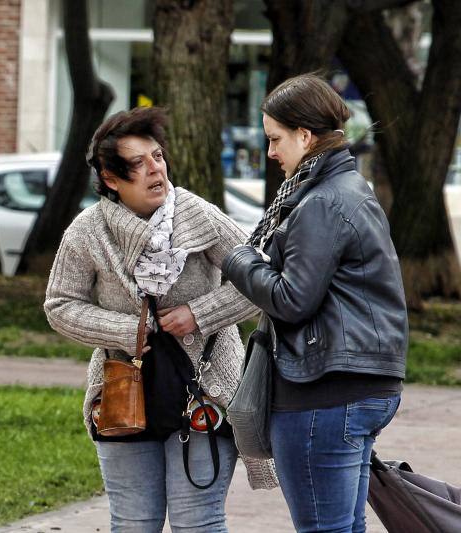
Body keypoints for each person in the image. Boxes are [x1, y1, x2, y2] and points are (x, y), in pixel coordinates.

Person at [44, 107, 277, 532]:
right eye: (138, 163)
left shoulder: (195, 213)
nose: (156, 170)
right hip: (122, 390)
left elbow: (261, 282)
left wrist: (200, 314)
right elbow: (60, 304)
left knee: (197, 523)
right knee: (133, 523)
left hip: (205, 389)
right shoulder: (88, 231)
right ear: (111, 179)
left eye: (158, 157)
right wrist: (125, 329)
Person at [222, 73, 408, 532]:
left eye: (275, 139)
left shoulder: (321, 202)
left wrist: (240, 261)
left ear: (305, 136)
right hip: (361, 385)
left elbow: (291, 300)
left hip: (324, 392)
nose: (270, 153)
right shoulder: (351, 187)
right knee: (344, 527)